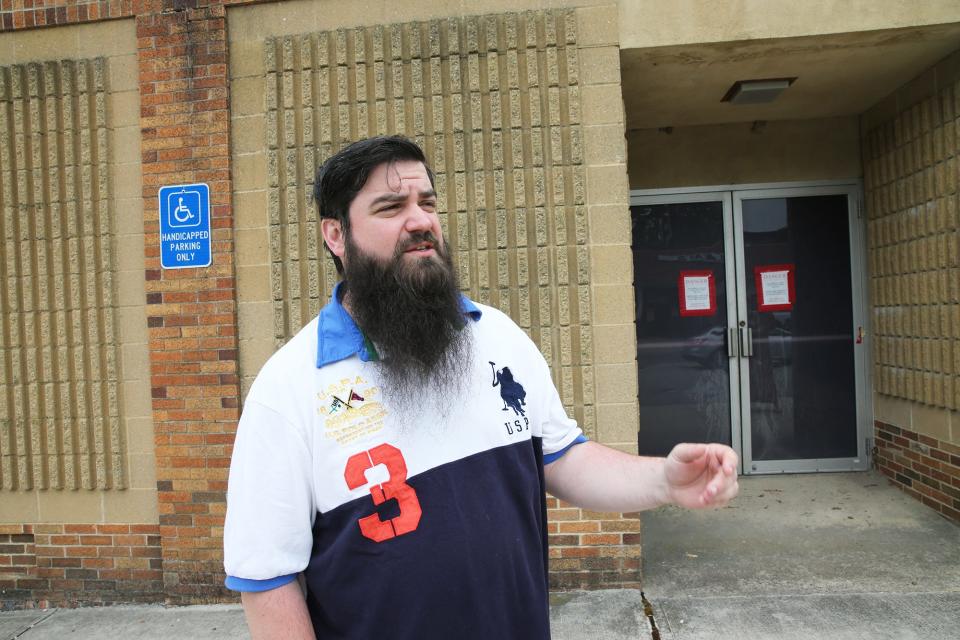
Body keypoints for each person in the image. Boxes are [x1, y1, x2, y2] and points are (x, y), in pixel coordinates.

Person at [223, 135, 739, 640]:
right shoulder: (288, 388)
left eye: (427, 202)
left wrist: (665, 483)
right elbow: (267, 577)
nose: (421, 220)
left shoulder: (497, 336)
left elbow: (562, 459)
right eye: (390, 206)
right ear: (336, 236)